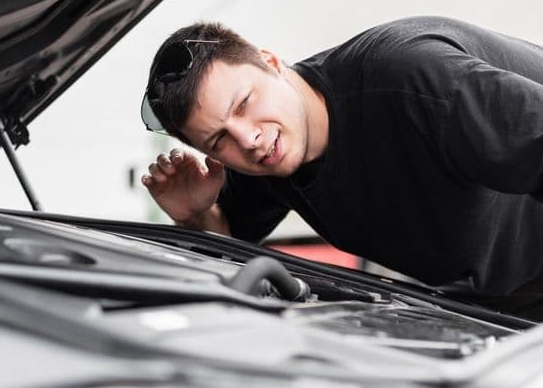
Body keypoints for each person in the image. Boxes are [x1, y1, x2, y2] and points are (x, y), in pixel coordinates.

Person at [140, 16, 543, 320]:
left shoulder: (412, 80)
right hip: (501, 295)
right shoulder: (265, 159)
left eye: (244, 103)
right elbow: (230, 247)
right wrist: (195, 213)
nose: (248, 139)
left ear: (271, 62)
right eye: (218, 140)